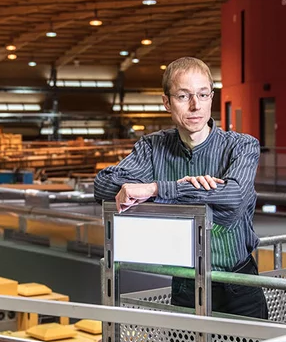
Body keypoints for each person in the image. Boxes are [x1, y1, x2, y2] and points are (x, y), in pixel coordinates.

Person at [93, 56, 268, 319]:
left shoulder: (241, 146)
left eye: (203, 94)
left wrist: (158, 190)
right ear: (167, 102)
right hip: (185, 282)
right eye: (184, 96)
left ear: (212, 97)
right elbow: (104, 186)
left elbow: (234, 200)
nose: (196, 106)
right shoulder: (153, 148)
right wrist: (186, 191)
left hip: (239, 284)